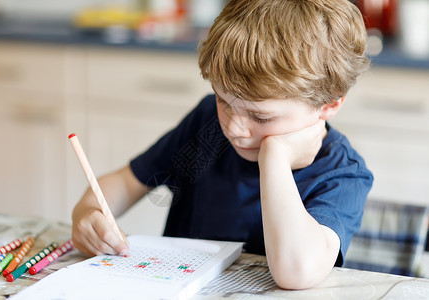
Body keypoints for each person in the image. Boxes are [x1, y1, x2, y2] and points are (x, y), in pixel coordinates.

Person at [72, 0, 373, 290]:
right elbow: (126, 182)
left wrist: (275, 155)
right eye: (223, 101)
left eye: (260, 116)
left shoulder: (342, 174)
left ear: (329, 103)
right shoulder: (208, 124)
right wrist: (87, 213)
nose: (233, 126)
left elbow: (295, 272)